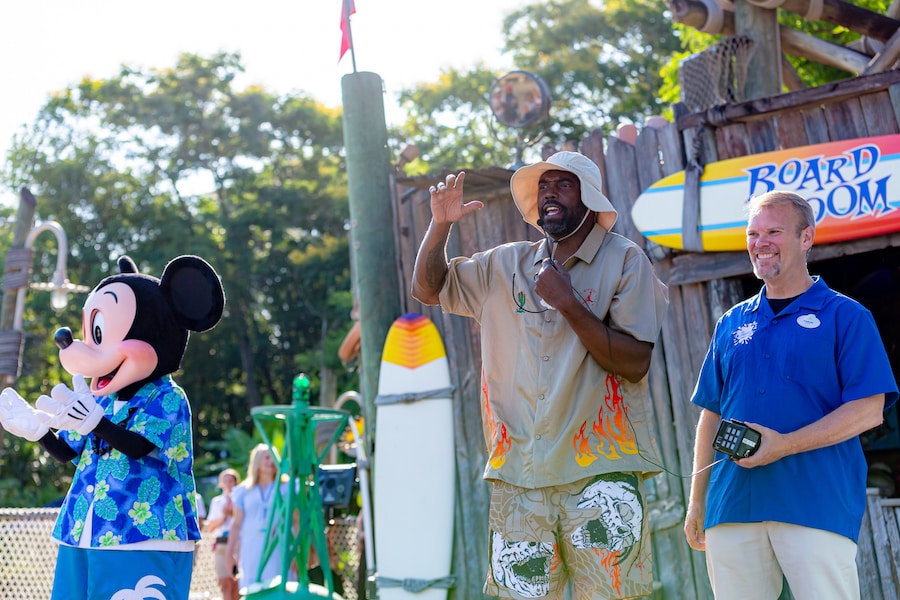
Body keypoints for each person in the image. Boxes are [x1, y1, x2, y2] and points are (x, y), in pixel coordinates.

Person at [412, 151, 669, 599]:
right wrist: (440, 227)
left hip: (601, 477)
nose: (549, 192)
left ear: (589, 198)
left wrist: (568, 302)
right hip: (518, 477)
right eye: (543, 185)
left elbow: (634, 363)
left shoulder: (626, 260)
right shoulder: (505, 264)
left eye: (562, 184)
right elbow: (429, 289)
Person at [683, 190, 899, 599]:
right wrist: (697, 502)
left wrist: (784, 445)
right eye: (752, 233)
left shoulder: (846, 315)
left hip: (815, 503)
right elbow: (710, 415)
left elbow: (869, 410)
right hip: (731, 506)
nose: (760, 242)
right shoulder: (731, 322)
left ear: (806, 238)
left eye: (774, 231)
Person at [226, 444, 284, 591]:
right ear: (257, 461)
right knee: (252, 588)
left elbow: (296, 521)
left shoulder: (287, 487)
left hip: (278, 549)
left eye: (273, 457)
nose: (271, 461)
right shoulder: (243, 491)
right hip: (251, 549)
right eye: (266, 457)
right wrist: (230, 553)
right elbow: (236, 524)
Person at [205, 468, 241, 600]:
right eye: (225, 481)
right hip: (221, 545)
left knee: (237, 583)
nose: (228, 484)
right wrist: (224, 515)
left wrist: (233, 514)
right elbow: (211, 527)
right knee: (225, 583)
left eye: (230, 481)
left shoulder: (240, 500)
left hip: (237, 545)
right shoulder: (217, 502)